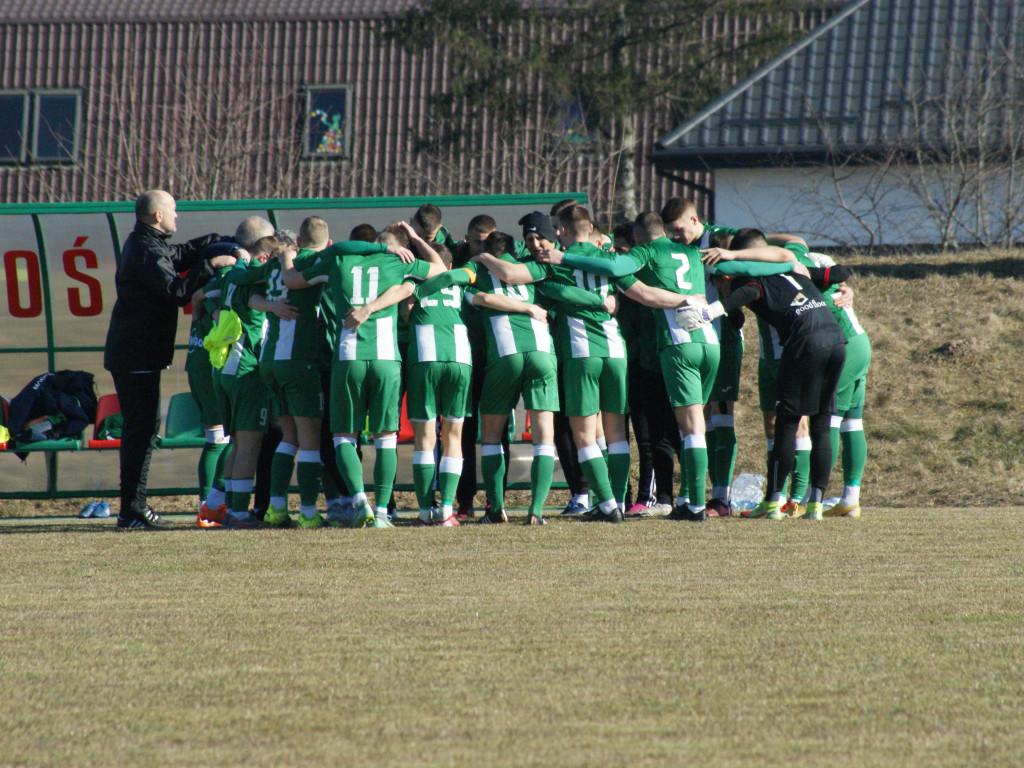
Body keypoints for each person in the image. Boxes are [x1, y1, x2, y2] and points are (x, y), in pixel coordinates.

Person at [681, 229, 852, 521]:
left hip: (804, 343)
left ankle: (773, 504)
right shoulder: (797, 269)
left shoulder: (751, 277)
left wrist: (710, 312)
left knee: (785, 425)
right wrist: (845, 286)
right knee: (822, 423)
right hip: (836, 341)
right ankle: (815, 507)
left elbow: (748, 292)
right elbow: (839, 271)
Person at [281, 225, 443, 527]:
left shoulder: (338, 259)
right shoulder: (399, 262)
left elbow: (291, 279)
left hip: (349, 357)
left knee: (344, 435)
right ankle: (382, 512)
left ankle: (359, 500)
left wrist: (284, 257)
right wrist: (418, 239)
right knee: (386, 438)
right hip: (386, 360)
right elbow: (439, 267)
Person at [103, 189, 234, 529]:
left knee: (144, 430)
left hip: (139, 354)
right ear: (158, 216)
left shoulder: (149, 243)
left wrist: (216, 241)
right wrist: (211, 264)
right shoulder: (145, 249)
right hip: (136, 354)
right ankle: (132, 509)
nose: (178, 216)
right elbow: (176, 291)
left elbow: (178, 254)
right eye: (173, 210)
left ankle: (131, 509)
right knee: (141, 432)